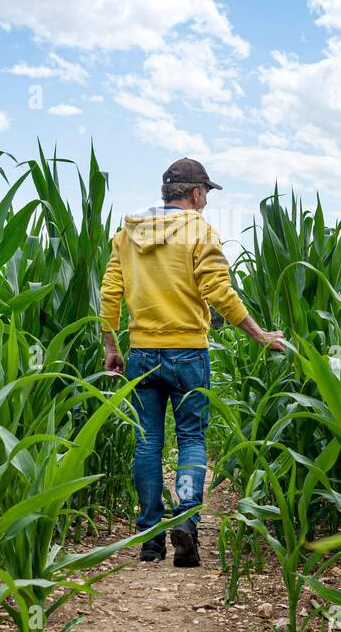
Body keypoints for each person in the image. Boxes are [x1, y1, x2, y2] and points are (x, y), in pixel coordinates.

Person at [99, 157, 285, 567]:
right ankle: (185, 520)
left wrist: (112, 345)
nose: (205, 204)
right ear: (196, 193)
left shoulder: (126, 234)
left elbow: (110, 291)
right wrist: (259, 334)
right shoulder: (199, 231)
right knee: (191, 440)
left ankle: (150, 538)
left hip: (142, 353)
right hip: (188, 352)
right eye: (206, 195)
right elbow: (218, 290)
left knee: (147, 442)